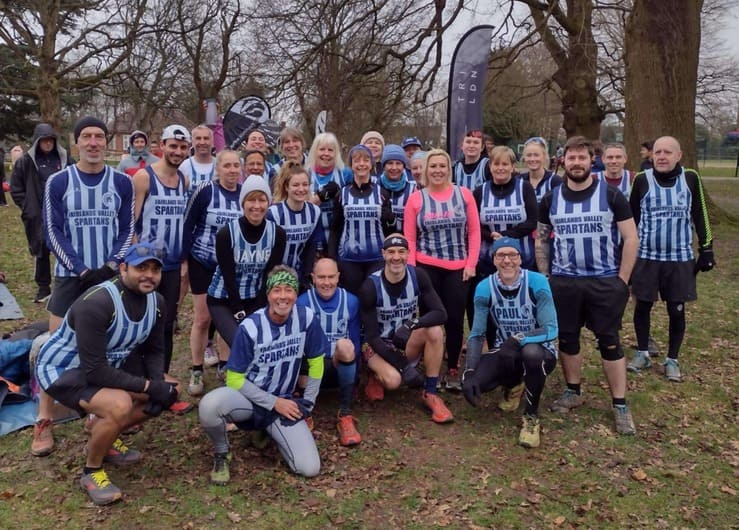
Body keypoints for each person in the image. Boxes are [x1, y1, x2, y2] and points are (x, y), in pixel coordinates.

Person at [34, 242, 179, 505]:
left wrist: (157, 383)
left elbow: (155, 350)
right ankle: (92, 471)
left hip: (108, 364)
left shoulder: (156, 301)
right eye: (141, 267)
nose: (149, 275)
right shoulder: (98, 302)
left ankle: (101, 432)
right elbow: (94, 370)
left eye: (155, 269)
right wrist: (148, 387)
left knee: (165, 394)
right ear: (123, 268)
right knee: (121, 404)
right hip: (63, 369)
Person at [37, 116, 135, 457]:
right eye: (87, 136)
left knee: (105, 349)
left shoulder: (121, 183)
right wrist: (80, 268)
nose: (93, 143)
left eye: (99, 136)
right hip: (69, 277)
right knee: (54, 348)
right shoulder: (58, 182)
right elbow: (52, 230)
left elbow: (127, 229)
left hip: (108, 278)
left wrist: (109, 266)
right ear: (76, 141)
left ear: (106, 142)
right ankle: (44, 419)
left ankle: (99, 421)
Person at [535, 136, 638, 435]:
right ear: (563, 161)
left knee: (609, 342)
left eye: (582, 158)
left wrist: (622, 280)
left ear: (592, 161)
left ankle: (619, 403)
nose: (577, 163)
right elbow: (541, 239)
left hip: (605, 281)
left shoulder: (611, 195)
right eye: (572, 158)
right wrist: (547, 276)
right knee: (568, 338)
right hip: (565, 282)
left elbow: (631, 238)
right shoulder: (550, 198)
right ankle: (573, 391)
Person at [199, 265, 329, 483]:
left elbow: (317, 362)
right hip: (249, 398)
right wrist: (272, 402)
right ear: (268, 294)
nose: (283, 296)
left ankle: (266, 430)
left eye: (289, 290)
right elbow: (234, 378)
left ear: (296, 293)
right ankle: (222, 452)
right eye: (277, 290)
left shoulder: (306, 318)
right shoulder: (250, 327)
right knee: (209, 406)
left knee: (309, 468)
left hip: (284, 403)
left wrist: (309, 402)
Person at [627, 136, 714, 382]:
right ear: (652, 155)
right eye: (658, 152)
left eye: (667, 152)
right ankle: (643, 352)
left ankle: (672, 359)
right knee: (642, 305)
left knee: (676, 310)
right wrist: (625, 253)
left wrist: (707, 249)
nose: (662, 156)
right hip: (646, 257)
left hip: (679, 258)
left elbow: (701, 215)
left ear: (679, 155)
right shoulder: (642, 180)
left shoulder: (690, 178)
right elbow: (630, 219)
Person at [462, 237, 558, 448]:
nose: (507, 261)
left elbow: (551, 328)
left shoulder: (537, 282)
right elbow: (477, 334)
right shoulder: (484, 287)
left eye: (512, 255)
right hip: (505, 350)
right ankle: (514, 385)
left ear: (520, 259)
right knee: (479, 382)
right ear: (494, 260)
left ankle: (531, 417)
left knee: (531, 354)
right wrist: (469, 371)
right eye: (501, 256)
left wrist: (518, 339)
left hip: (541, 350)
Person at [404, 149, 480, 391]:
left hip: (458, 267)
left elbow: (474, 232)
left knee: (455, 320)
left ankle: (454, 368)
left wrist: (471, 263)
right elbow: (410, 239)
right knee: (429, 320)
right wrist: (413, 270)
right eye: (432, 166)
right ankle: (430, 368)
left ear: (449, 169)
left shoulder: (464, 194)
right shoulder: (416, 199)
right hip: (426, 268)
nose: (437, 170)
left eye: (442, 166)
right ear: (425, 170)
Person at [359, 234, 452, 423]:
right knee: (394, 381)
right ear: (383, 254)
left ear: (408, 253)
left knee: (435, 330)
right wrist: (403, 367)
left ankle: (431, 392)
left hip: (403, 339)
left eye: (401, 251)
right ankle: (374, 375)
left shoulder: (418, 276)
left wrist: (411, 325)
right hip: (377, 344)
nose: (396, 257)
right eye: (391, 252)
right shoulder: (370, 286)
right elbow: (371, 336)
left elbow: (441, 313)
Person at [132, 124, 191, 413]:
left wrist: (182, 263)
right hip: (145, 265)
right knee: (137, 325)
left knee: (165, 325)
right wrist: (133, 263)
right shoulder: (144, 177)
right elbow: (132, 223)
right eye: (173, 146)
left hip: (170, 266)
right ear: (162, 145)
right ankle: (135, 387)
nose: (177, 152)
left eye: (183, 147)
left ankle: (162, 386)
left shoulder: (184, 180)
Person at [182, 150, 243, 396]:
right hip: (202, 261)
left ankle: (225, 363)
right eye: (226, 165)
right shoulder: (205, 189)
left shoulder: (244, 194)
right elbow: (187, 224)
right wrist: (184, 260)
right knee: (203, 318)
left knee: (225, 316)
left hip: (230, 266)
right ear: (218, 168)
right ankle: (197, 368)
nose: (231, 170)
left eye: (236, 165)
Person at [207, 175, 286, 350]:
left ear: (269, 203)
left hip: (255, 298)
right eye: (251, 200)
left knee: (259, 345)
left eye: (262, 200)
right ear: (243, 203)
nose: (256, 206)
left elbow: (270, 274)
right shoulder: (226, 234)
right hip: (224, 299)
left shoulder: (278, 234)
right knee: (240, 344)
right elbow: (228, 275)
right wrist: (238, 310)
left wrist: (257, 308)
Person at [297, 258, 362, 446]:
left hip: (337, 365)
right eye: (321, 277)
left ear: (338, 277)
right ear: (313, 278)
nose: (326, 282)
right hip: (310, 369)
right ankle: (304, 410)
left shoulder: (351, 301)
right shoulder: (302, 302)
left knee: (346, 345)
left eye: (331, 277)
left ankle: (345, 413)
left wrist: (355, 375)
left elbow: (356, 344)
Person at [10, 123, 73, 303]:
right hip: (37, 213)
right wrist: (27, 207)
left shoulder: (64, 159)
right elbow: (16, 188)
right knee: (41, 250)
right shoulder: (26, 162)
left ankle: (69, 284)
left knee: (66, 247)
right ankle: (43, 288)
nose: (47, 144)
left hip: (62, 211)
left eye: (50, 140)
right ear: (37, 142)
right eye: (43, 140)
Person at [329, 145, 395, 294]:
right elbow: (335, 229)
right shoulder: (342, 194)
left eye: (366, 160)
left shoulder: (382, 193)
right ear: (351, 165)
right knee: (353, 299)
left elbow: (391, 229)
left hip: (377, 258)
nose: (361, 164)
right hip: (348, 260)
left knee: (373, 298)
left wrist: (391, 219)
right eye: (357, 160)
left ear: (371, 164)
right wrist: (332, 258)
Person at [267, 163, 323, 290]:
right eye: (296, 185)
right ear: (287, 187)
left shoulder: (315, 212)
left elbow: (311, 247)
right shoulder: (273, 213)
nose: (301, 189)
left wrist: (306, 275)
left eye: (305, 185)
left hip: (299, 275)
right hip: (274, 274)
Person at [306, 132, 346, 247]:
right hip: (312, 238)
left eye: (330, 150)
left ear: (336, 153)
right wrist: (319, 197)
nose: (326, 154)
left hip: (338, 239)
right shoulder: (305, 174)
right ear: (315, 151)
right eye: (322, 149)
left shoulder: (345, 174)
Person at [378, 144, 416, 232]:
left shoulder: (413, 190)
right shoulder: (375, 187)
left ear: (404, 166)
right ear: (383, 166)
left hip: (405, 242)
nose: (394, 168)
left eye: (398, 163)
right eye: (390, 163)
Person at [519, 137, 563, 204]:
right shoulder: (518, 181)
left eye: (536, 155)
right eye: (529, 155)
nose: (532, 159)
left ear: (544, 156)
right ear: (524, 158)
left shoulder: (555, 181)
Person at [178, 125, 215, 195]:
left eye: (206, 138)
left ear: (212, 141)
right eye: (198, 138)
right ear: (192, 142)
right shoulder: (184, 166)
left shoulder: (220, 166)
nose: (202, 142)